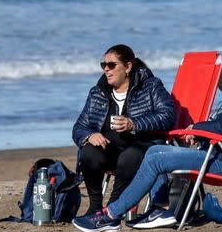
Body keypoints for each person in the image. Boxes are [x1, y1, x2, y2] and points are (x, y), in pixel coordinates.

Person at [72, 39, 222, 232]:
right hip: (218, 153)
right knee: (155, 151)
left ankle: (110, 215)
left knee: (155, 157)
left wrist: (198, 130)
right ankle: (160, 208)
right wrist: (200, 131)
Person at [72, 44, 176, 215]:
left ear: (128, 66)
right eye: (103, 65)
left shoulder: (151, 86)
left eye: (112, 65)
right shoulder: (98, 92)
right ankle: (95, 205)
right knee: (89, 150)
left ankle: (113, 206)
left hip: (143, 146)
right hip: (112, 149)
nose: (106, 69)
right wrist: (90, 135)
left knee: (130, 155)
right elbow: (79, 127)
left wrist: (133, 123)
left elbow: (168, 116)